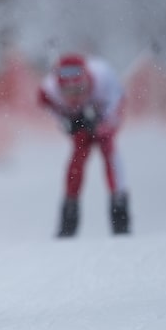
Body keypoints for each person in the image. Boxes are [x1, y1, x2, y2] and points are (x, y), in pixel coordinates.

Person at [38, 53, 131, 237]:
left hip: (103, 115)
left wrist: (100, 124)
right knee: (77, 160)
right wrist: (67, 122)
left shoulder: (104, 79)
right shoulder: (49, 91)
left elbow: (116, 114)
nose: (75, 96)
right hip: (78, 120)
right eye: (68, 92)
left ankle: (120, 217)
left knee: (109, 154)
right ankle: (68, 220)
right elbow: (53, 111)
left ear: (87, 81)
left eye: (79, 89)